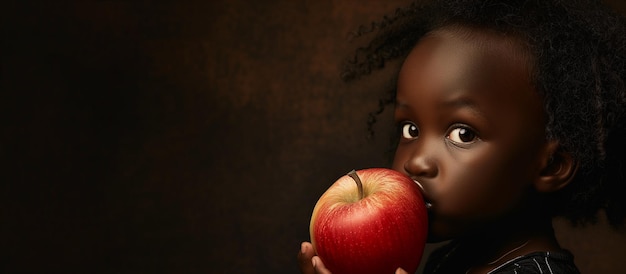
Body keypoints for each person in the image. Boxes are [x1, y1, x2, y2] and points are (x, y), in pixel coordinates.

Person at [297, 0, 626, 273]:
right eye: (410, 129)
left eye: (463, 134)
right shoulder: (454, 260)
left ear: (551, 165)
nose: (417, 162)